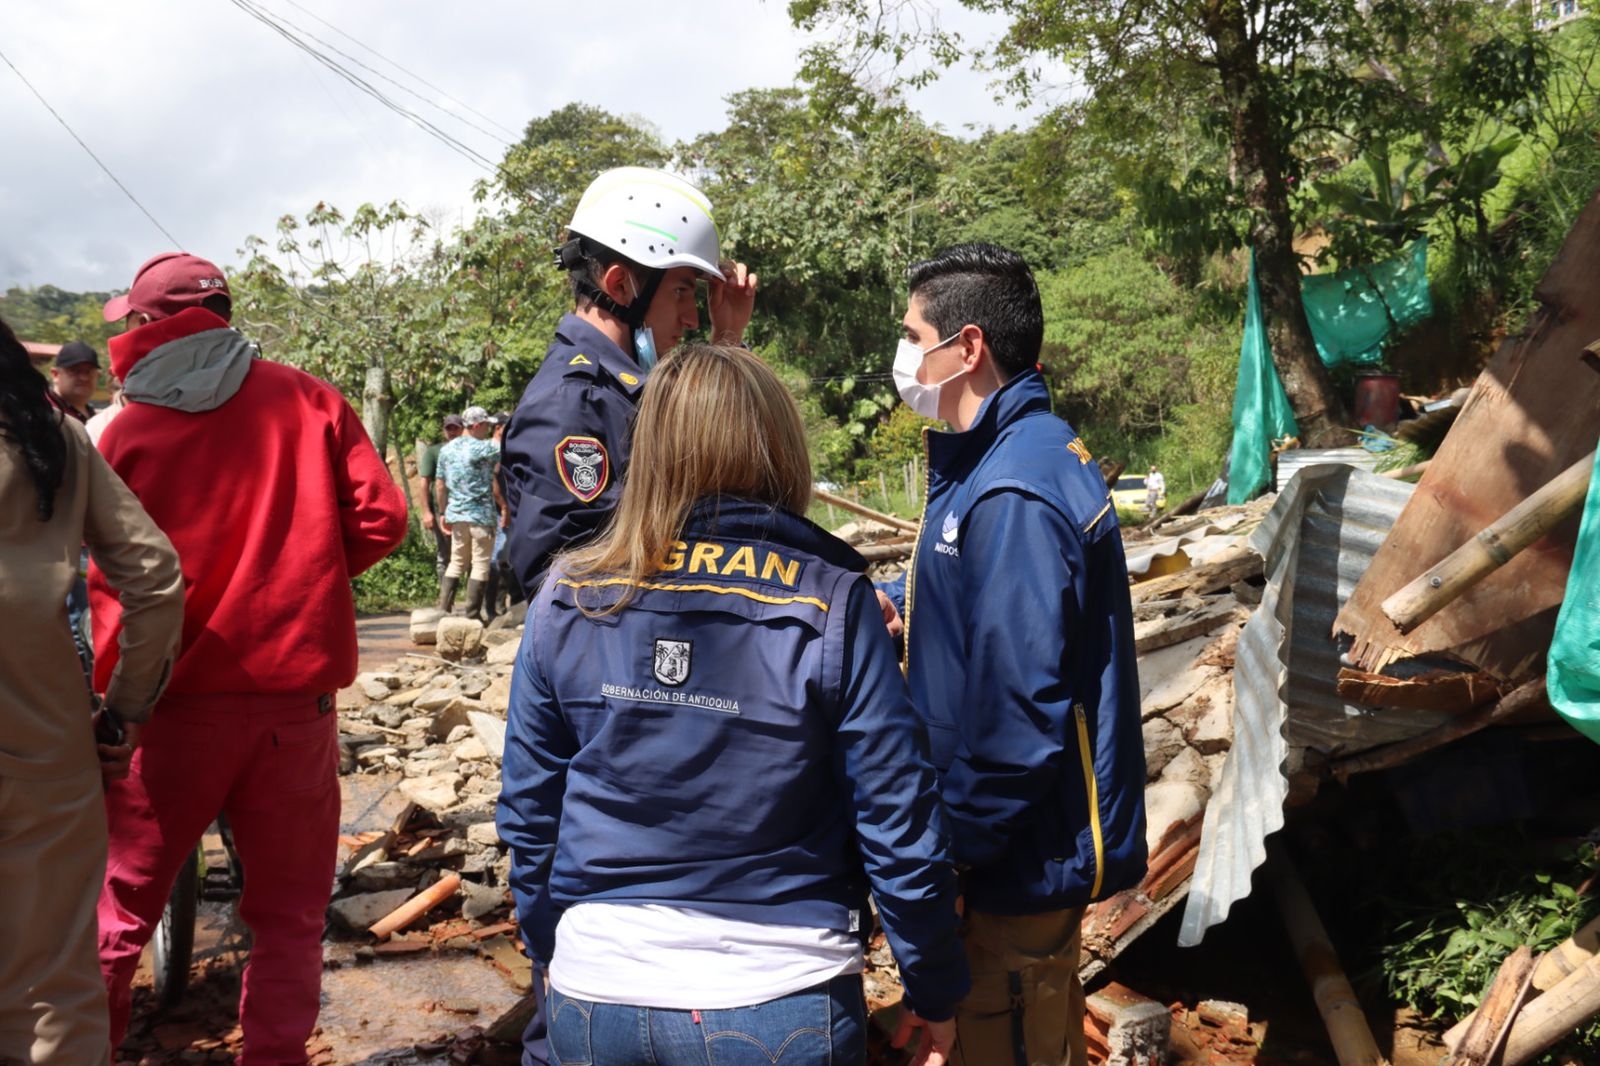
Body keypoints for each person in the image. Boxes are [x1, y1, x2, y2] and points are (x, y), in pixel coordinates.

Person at [498, 344, 969, 1066]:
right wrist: (935, 988)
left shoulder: (567, 594)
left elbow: (531, 817)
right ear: (779, 448)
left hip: (596, 996)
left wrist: (551, 953)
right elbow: (898, 821)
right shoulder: (835, 603)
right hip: (781, 994)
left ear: (649, 447)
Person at [90, 251, 409, 1064]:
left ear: (149, 326)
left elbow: (105, 581)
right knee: (291, 919)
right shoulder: (307, 399)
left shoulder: (124, 431)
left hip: (166, 715)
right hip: (292, 713)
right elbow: (381, 521)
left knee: (117, 913)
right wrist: (301, 578)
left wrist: (108, 705)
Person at [878, 243, 1148, 1066]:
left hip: (1015, 858)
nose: (901, 355)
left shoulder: (1014, 490)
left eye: (911, 333)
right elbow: (975, 595)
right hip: (1012, 847)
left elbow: (1018, 714)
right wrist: (897, 604)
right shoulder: (1007, 456)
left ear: (966, 347)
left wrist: (950, 854)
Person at [0, 316, 184, 1066]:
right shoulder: (50, 437)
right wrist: (123, 713)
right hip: (41, 745)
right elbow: (156, 579)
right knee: (48, 994)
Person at [500, 166, 757, 595]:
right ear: (620, 285)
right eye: (680, 291)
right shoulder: (575, 403)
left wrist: (727, 340)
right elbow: (567, 589)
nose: (694, 318)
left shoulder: (627, 391)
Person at [435, 405, 501, 619]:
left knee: (456, 562)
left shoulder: (447, 450)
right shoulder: (486, 448)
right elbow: (505, 450)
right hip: (482, 517)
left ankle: (443, 610)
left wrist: (443, 512)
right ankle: (473, 615)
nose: (488, 430)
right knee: (481, 564)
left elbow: (440, 485)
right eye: (486, 426)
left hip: (457, 515)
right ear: (476, 425)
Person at [419, 413, 465, 580]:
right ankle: (445, 598)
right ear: (444, 431)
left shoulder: (471, 450)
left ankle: (469, 599)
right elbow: (425, 483)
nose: (452, 431)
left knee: (469, 555)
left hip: (467, 510)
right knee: (444, 553)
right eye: (449, 428)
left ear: (463, 429)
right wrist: (426, 512)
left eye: (456, 428)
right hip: (442, 511)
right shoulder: (434, 452)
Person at [47, 340, 99, 423]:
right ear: (55, 375)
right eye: (75, 371)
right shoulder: (46, 411)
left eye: (88, 371)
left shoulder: (97, 417)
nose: (84, 378)